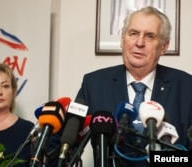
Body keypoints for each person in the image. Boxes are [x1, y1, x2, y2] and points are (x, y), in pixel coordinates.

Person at [75, 6, 192, 167]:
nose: (139, 43)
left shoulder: (186, 86)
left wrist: (161, 158)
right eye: (133, 33)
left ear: (164, 46)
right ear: (123, 39)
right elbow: (67, 142)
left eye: (150, 36)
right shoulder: (94, 84)